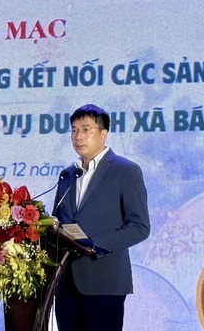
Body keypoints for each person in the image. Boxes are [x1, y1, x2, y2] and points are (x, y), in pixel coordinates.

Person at [52, 104, 151, 331]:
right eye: (74, 130)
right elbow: (58, 223)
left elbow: (139, 226)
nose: (78, 136)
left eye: (86, 129)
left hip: (104, 282)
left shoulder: (126, 171)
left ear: (104, 133)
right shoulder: (68, 174)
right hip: (66, 284)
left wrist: (94, 245)